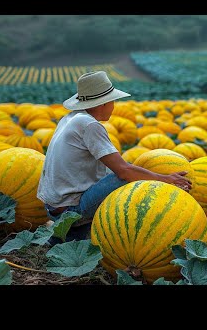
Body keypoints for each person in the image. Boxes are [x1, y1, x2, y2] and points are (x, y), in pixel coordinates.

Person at [37, 70, 192, 242]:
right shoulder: (89, 125)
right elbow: (124, 172)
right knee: (127, 177)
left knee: (127, 173)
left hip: (54, 206)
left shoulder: (71, 118)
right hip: (70, 211)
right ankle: (135, 232)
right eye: (113, 101)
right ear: (102, 104)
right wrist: (165, 179)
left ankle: (64, 236)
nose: (114, 105)